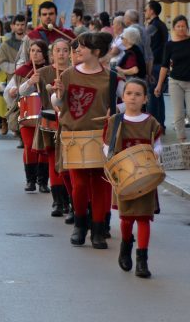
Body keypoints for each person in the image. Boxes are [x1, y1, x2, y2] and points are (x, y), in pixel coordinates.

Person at [52, 32, 115, 248]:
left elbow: (125, 102)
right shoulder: (68, 74)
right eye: (76, 47)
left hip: (100, 137)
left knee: (98, 185)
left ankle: (98, 230)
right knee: (79, 185)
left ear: (96, 52)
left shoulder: (111, 77)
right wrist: (58, 94)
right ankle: (80, 224)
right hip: (74, 136)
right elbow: (58, 102)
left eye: (82, 47)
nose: (77, 50)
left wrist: (117, 110)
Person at [103, 78, 162, 278]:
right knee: (127, 219)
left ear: (145, 99)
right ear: (123, 96)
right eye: (129, 93)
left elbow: (158, 145)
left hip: (146, 178)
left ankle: (142, 261)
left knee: (144, 218)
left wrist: (155, 153)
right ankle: (126, 245)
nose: (133, 98)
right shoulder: (115, 121)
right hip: (124, 178)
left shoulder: (151, 122)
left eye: (138, 94)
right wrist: (113, 160)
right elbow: (107, 147)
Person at [28, 39, 73, 219]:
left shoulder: (75, 72)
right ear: (52, 53)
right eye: (58, 50)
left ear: (70, 53)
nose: (61, 53)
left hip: (70, 123)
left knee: (68, 164)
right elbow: (22, 93)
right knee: (54, 162)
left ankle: (69, 200)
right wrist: (30, 82)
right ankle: (57, 201)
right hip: (49, 122)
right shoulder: (43, 72)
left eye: (65, 50)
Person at [14, 40, 49, 192]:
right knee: (29, 146)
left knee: (44, 147)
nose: (35, 54)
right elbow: (16, 91)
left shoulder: (50, 70)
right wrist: (30, 82)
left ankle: (43, 182)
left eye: (38, 51)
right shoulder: (23, 70)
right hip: (27, 114)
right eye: (32, 50)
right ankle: (30, 181)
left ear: (44, 54)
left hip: (45, 113)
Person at [154, 15, 190, 142]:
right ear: (174, 28)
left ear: (187, 27)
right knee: (178, 113)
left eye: (183, 26)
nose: (181, 28)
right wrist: (159, 85)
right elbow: (164, 66)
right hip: (175, 82)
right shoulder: (169, 45)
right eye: (178, 26)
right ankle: (182, 140)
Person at [0, 15, 27, 134]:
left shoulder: (29, 42)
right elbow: (0, 61)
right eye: (17, 25)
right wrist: (16, 68)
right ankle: (10, 125)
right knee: (11, 105)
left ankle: (21, 130)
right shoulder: (6, 44)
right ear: (13, 26)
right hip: (11, 78)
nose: (20, 27)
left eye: (22, 24)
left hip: (27, 78)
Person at [16, 1, 74, 68]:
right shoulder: (31, 36)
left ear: (56, 15)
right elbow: (23, 60)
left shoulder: (67, 34)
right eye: (44, 14)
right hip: (38, 73)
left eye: (51, 14)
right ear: (39, 16)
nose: (48, 17)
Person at [145, 1, 168, 130]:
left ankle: (153, 127)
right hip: (160, 64)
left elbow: (144, 42)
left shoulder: (153, 26)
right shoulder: (162, 24)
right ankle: (161, 125)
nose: (145, 12)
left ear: (152, 11)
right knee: (158, 96)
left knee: (153, 96)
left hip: (154, 65)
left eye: (146, 9)